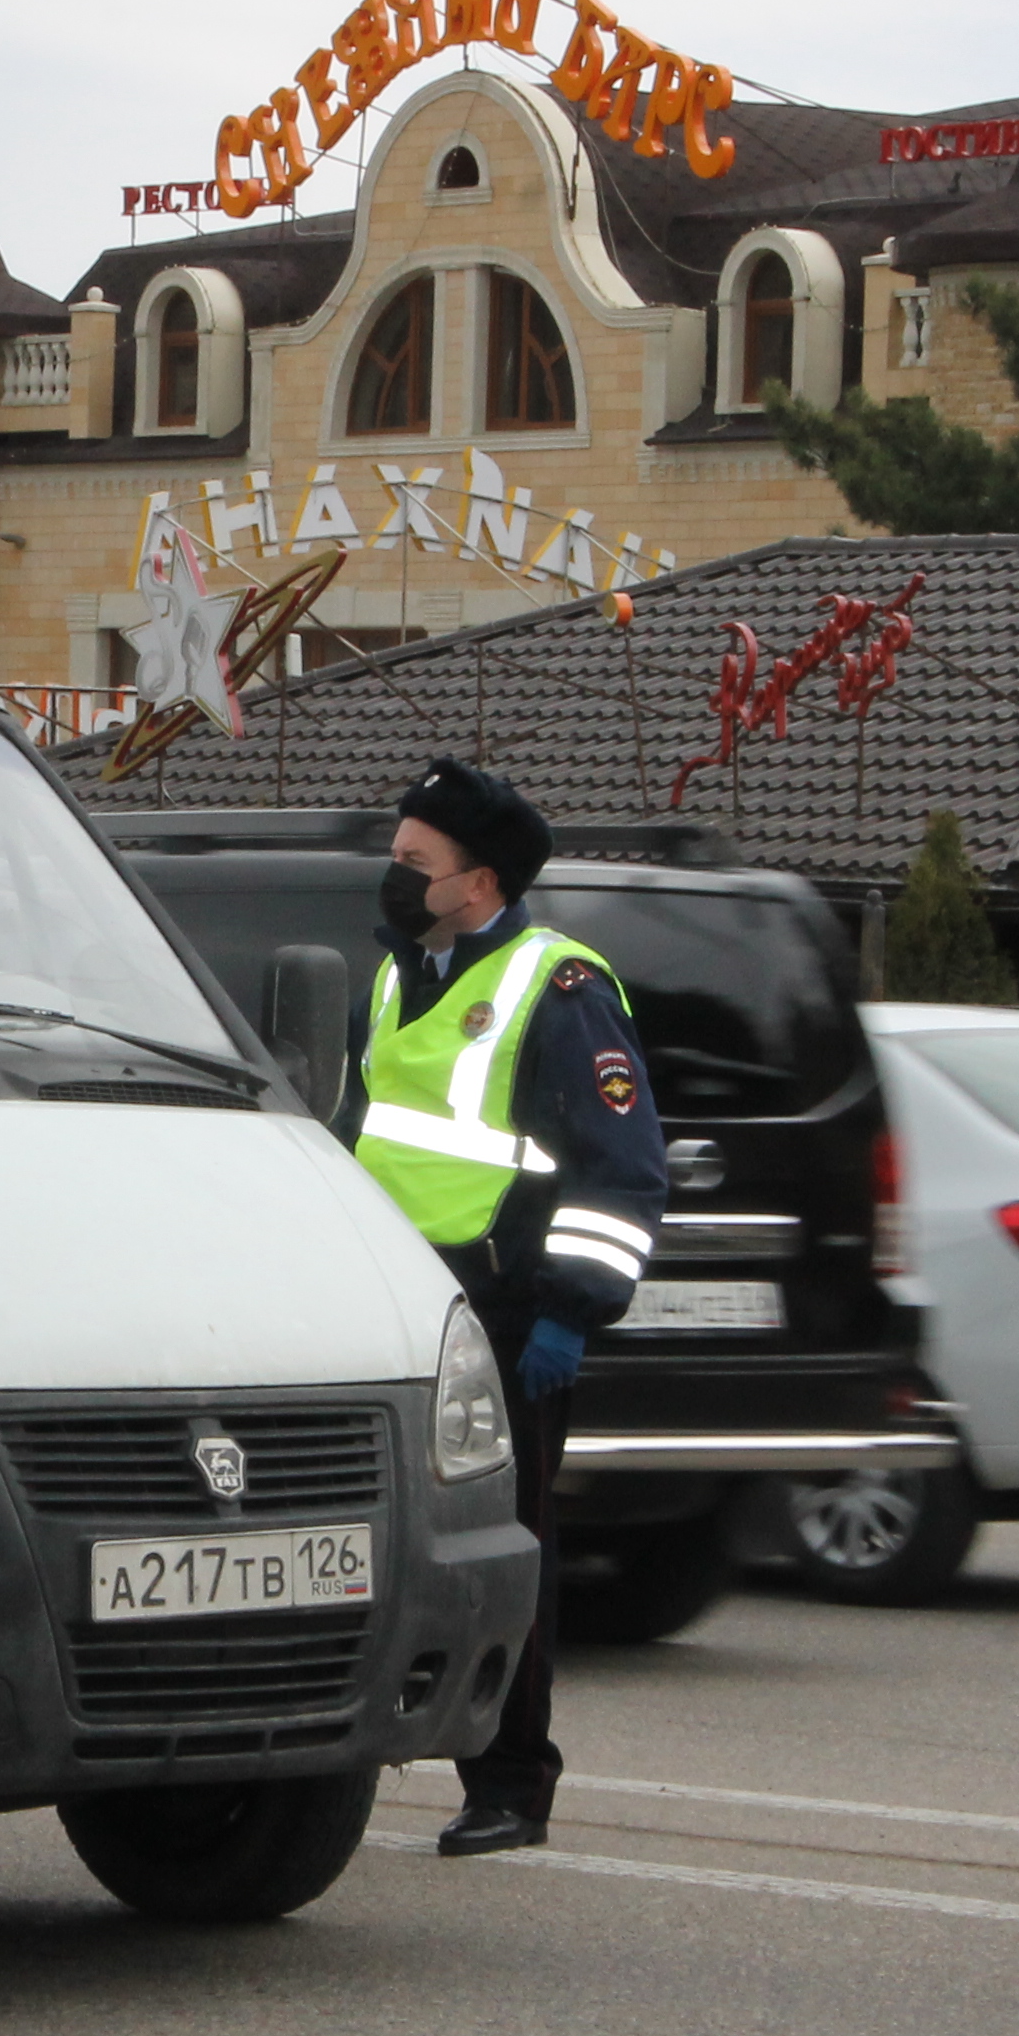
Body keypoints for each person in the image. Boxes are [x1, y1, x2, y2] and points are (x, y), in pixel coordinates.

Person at [343, 756, 667, 1858]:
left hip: (505, 1320)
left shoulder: (558, 986)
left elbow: (620, 1169)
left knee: (504, 1548)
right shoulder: (394, 980)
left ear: (477, 881)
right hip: (387, 1309)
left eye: (412, 862)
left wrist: (571, 1312)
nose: (392, 878)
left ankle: (511, 1780)